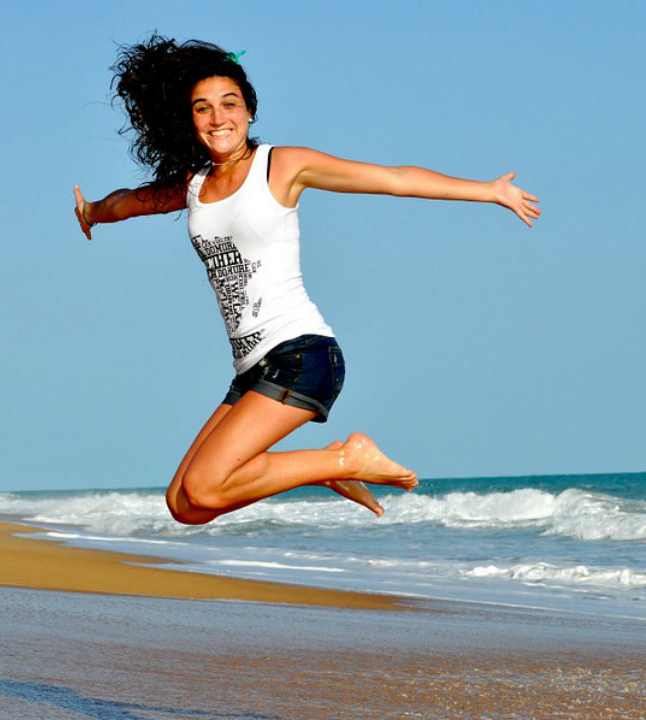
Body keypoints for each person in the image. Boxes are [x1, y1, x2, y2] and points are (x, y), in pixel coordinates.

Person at [73, 36, 539, 526]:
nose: (218, 118)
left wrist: (487, 191)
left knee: (206, 485)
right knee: (185, 504)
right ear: (189, 121)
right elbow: (128, 202)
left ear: (249, 110)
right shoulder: (194, 187)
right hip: (253, 368)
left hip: (301, 356)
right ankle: (325, 467)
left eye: (229, 104)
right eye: (203, 108)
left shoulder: (281, 166)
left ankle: (345, 459)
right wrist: (91, 212)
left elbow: (392, 178)